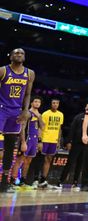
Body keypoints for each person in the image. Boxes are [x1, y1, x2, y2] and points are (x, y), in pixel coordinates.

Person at [0, 48, 36, 192]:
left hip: (16, 112)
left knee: (10, 147)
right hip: (2, 109)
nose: (19, 55)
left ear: (25, 57)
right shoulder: (3, 71)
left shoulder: (30, 73)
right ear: (10, 56)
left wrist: (26, 110)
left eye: (21, 53)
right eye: (16, 53)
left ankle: (4, 182)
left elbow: (27, 94)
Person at [9, 96, 42, 189]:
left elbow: (42, 127)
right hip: (27, 138)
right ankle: (12, 181)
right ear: (31, 103)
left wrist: (39, 141)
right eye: (35, 101)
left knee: (28, 161)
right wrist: (23, 142)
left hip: (34, 140)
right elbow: (22, 128)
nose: (37, 103)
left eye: (39, 102)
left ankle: (23, 181)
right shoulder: (27, 113)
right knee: (20, 160)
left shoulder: (39, 115)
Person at [59, 103, 88, 186]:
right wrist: (68, 141)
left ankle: (75, 182)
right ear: (85, 107)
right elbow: (72, 129)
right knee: (70, 162)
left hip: (87, 145)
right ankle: (61, 181)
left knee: (80, 164)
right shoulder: (78, 117)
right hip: (76, 143)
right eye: (87, 106)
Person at [38, 97, 64, 188]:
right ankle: (36, 179)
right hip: (45, 139)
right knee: (41, 159)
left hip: (54, 140)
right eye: (53, 103)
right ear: (51, 104)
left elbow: (59, 129)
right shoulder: (45, 114)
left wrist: (58, 141)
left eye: (57, 103)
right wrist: (40, 140)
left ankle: (43, 179)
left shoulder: (60, 115)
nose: (55, 105)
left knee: (49, 159)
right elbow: (41, 127)